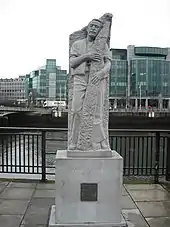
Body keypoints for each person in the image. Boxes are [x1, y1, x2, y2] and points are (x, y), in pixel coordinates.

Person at [69, 18, 111, 150]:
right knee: (76, 110)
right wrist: (87, 56)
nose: (93, 28)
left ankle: (101, 141)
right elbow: (72, 63)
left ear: (99, 31)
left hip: (96, 78)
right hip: (80, 78)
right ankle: (74, 141)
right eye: (91, 26)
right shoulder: (77, 44)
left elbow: (108, 62)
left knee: (97, 111)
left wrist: (101, 73)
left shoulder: (102, 45)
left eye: (96, 27)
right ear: (87, 28)